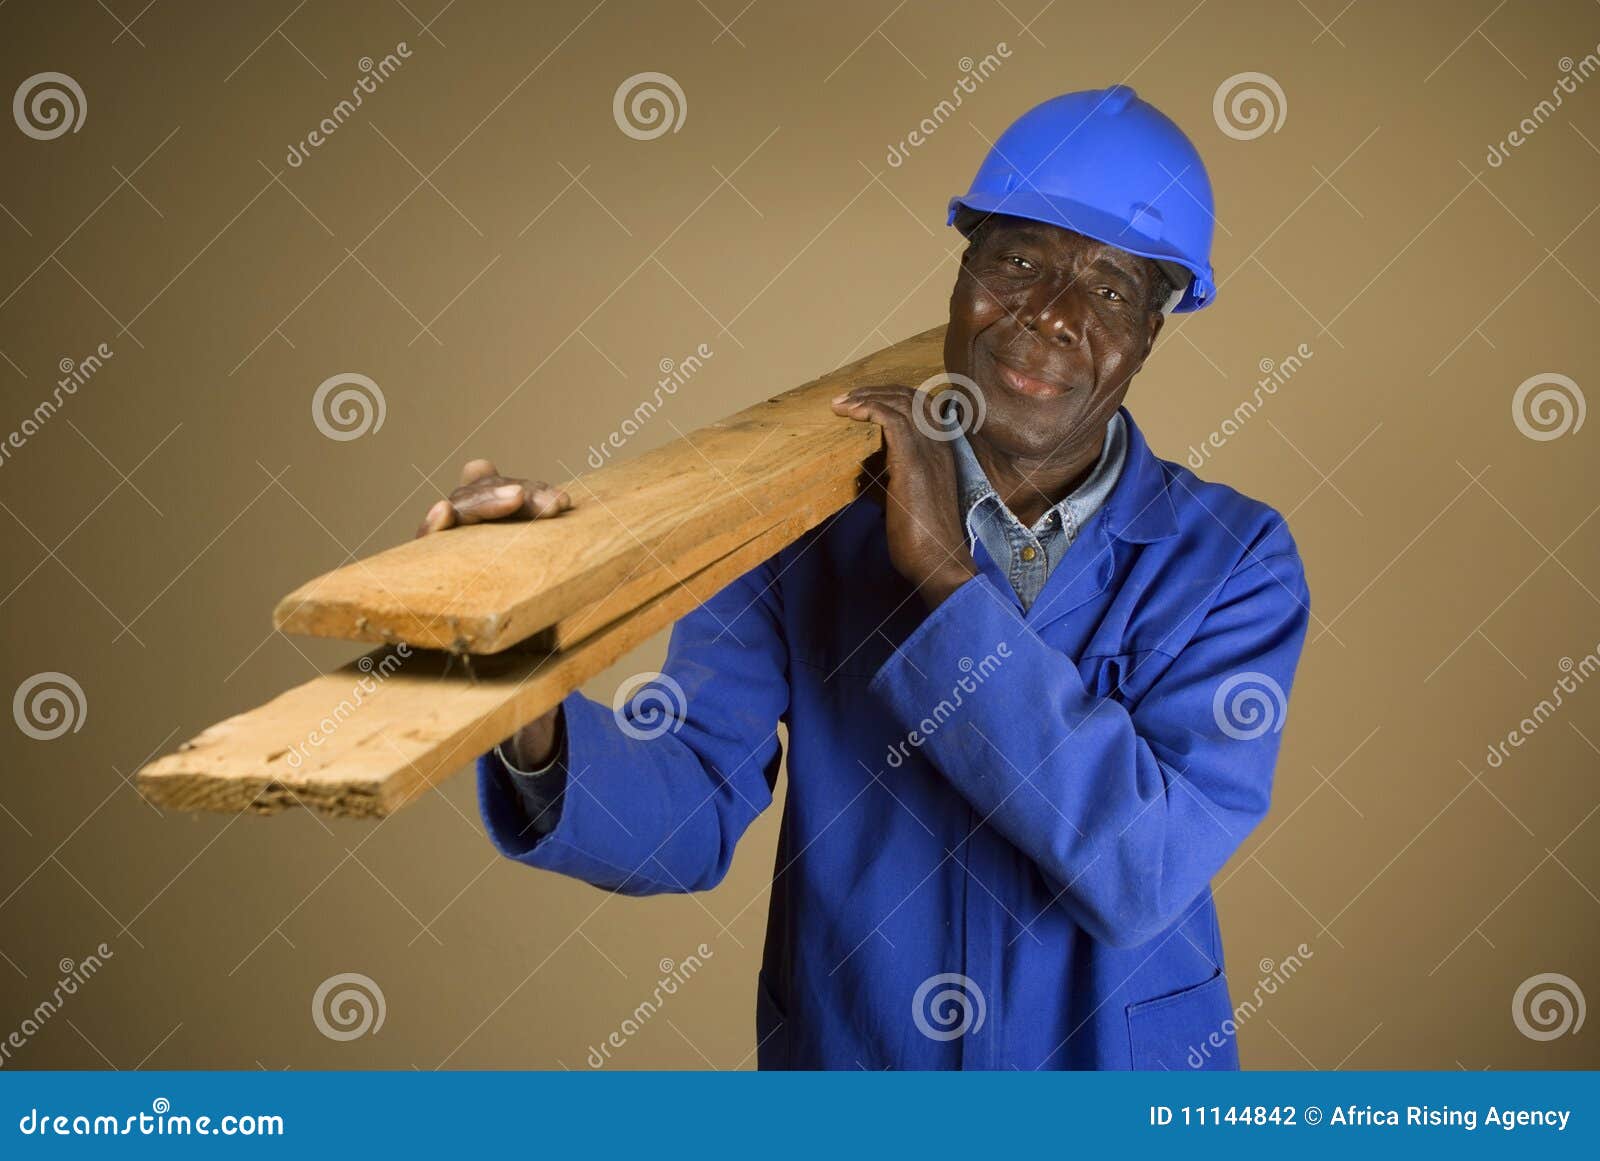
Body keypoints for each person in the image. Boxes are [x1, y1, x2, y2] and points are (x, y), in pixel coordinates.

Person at [416, 85, 1310, 1069]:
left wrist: (942, 574)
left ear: (1147, 335)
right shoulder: (798, 519)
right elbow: (689, 803)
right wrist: (531, 702)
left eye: (1108, 292)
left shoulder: (1230, 561)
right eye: (1019, 261)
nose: (1053, 314)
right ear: (963, 274)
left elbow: (1143, 866)